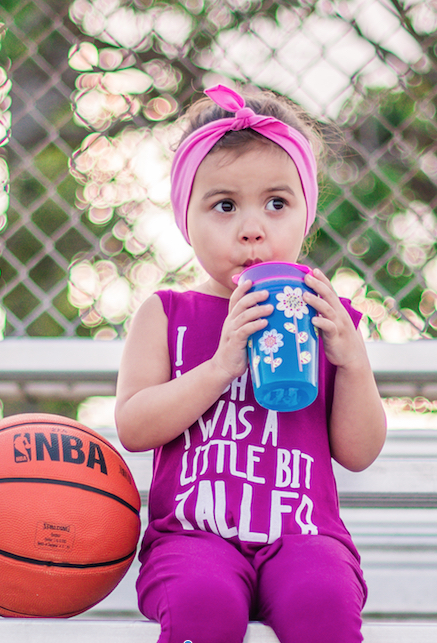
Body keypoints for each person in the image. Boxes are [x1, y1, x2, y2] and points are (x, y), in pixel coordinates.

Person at [114, 84, 387, 643]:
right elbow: (134, 427)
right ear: (185, 220)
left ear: (305, 218)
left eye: (277, 203)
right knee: (201, 601)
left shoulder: (327, 318)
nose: (252, 227)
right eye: (224, 205)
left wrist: (353, 365)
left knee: (325, 599)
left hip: (305, 534)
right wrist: (218, 367)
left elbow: (358, 453)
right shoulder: (168, 314)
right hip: (193, 536)